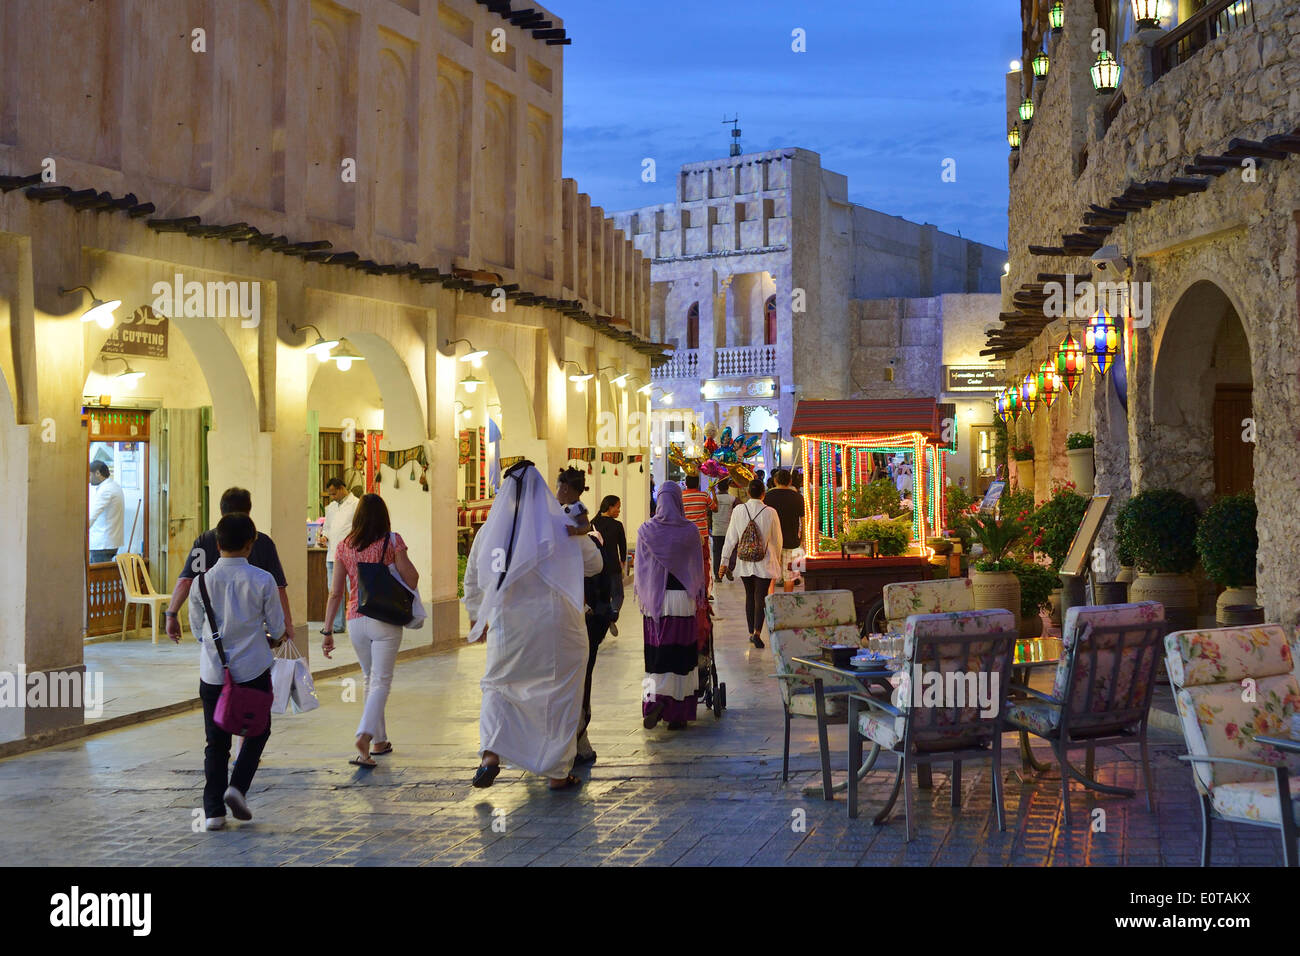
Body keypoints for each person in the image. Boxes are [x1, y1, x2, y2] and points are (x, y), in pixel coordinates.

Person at [464, 462, 603, 791]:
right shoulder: (561, 525)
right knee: (559, 692)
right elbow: (595, 565)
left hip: (508, 626)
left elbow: (473, 577)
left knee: (499, 686)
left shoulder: (491, 530)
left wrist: (476, 616)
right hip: (557, 627)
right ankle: (556, 771)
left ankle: (490, 755)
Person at [189, 513, 284, 831]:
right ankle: (237, 787)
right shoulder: (263, 580)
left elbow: (197, 630)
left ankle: (213, 812)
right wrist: (268, 638)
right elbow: (278, 628)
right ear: (250, 544)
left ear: (217, 545)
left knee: (215, 742)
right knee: (258, 730)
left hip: (214, 674)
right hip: (254, 671)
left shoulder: (201, 582)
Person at [322, 493, 418, 767]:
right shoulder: (392, 541)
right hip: (385, 618)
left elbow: (335, 592)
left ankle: (378, 741)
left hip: (355, 620)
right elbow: (411, 576)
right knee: (381, 681)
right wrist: (390, 568)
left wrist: (328, 631)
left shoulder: (343, 546)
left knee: (369, 679)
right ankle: (364, 734)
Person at [165, 488, 293, 644]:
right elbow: (279, 589)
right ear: (249, 510)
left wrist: (171, 614)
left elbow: (187, 581)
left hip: (216, 647)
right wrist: (287, 626)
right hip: (254, 645)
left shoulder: (205, 541)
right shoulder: (263, 543)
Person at [636, 482, 707, 731]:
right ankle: (677, 714)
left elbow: (641, 570)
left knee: (655, 655)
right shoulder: (690, 531)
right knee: (681, 657)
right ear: (679, 501)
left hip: (655, 602)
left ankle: (654, 701)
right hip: (682, 600)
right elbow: (696, 567)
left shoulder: (646, 530)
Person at [576, 501, 623, 766]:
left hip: (549, 626)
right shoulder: (589, 546)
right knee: (581, 680)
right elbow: (599, 575)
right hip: (584, 623)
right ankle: (579, 740)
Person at [723, 478, 783, 648]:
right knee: (760, 597)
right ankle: (757, 632)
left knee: (749, 595)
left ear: (748, 493)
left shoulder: (739, 510)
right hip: (764, 562)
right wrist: (776, 559)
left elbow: (731, 538)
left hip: (744, 562)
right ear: (764, 493)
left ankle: (750, 633)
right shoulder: (770, 512)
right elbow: (777, 539)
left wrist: (724, 561)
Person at [316, 477, 358, 636]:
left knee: (352, 589)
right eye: (330, 495)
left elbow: (357, 527)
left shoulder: (356, 504)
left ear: (342, 488)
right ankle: (338, 624)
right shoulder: (331, 508)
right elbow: (327, 527)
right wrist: (324, 537)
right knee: (334, 591)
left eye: (334, 494)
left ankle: (355, 621)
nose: (332, 497)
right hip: (332, 554)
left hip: (350, 554)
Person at [765, 468, 806, 594]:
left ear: (775, 481)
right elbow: (803, 520)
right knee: (790, 576)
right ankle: (788, 603)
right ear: (790, 481)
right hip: (792, 541)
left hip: (771, 542)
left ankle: (770, 601)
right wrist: (802, 538)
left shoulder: (767, 496)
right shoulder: (798, 497)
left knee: (771, 576)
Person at [591, 495, 627, 635]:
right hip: (613, 566)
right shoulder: (617, 525)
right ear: (609, 506)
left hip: (597, 567)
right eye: (617, 507)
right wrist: (623, 562)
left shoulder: (592, 522)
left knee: (601, 597)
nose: (619, 510)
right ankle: (612, 615)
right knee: (618, 595)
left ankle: (602, 620)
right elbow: (622, 547)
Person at [88, 460, 124, 564]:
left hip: (102, 544)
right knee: (102, 577)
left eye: (90, 475)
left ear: (98, 473)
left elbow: (91, 516)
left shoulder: (106, 490)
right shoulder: (114, 486)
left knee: (98, 578)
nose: (88, 479)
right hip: (110, 542)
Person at [709, 478, 736, 583]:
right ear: (728, 487)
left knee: (717, 553)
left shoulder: (713, 499)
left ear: (717, 487)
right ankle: (729, 568)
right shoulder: (732, 499)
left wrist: (709, 528)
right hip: (729, 531)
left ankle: (717, 576)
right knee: (730, 551)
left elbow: (709, 513)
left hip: (717, 530)